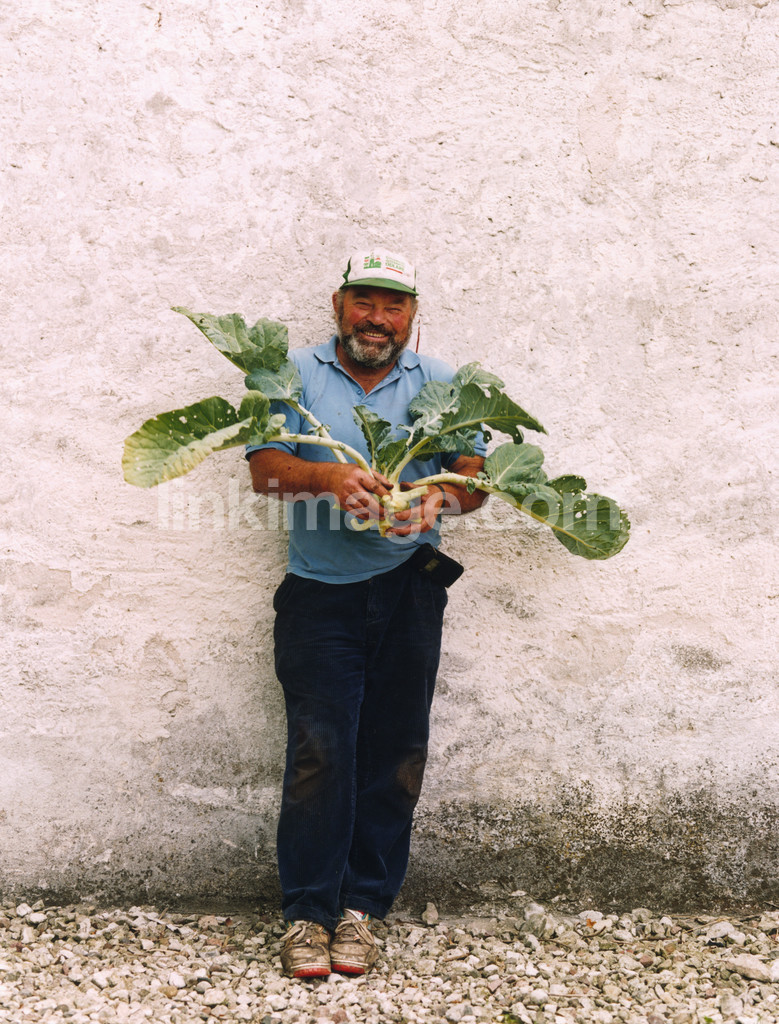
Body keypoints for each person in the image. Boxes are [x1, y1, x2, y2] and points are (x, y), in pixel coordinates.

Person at [246, 247, 488, 978]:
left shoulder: (442, 382)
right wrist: (329, 478)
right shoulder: (290, 374)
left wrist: (437, 497)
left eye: (393, 306)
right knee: (319, 752)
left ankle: (361, 910)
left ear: (411, 314)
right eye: (364, 302)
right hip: (319, 591)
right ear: (338, 305)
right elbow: (266, 470)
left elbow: (474, 479)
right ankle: (307, 913)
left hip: (411, 588)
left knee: (396, 752)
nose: (376, 319)